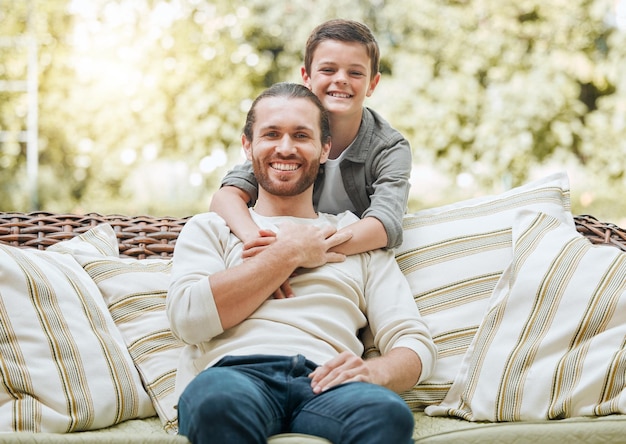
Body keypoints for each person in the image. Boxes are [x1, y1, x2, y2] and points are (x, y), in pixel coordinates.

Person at [167, 82, 436, 444]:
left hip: (328, 381)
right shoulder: (214, 228)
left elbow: (414, 343)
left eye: (301, 136)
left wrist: (376, 373)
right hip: (234, 377)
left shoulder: (355, 238)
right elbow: (187, 319)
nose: (286, 148)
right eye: (271, 134)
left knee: (387, 415)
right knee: (216, 403)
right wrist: (288, 253)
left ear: (324, 148)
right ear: (247, 146)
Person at [209, 19, 412, 264]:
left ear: (372, 84)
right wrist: (261, 243)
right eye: (328, 70)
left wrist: (303, 252)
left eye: (355, 73)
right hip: (283, 247)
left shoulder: (389, 147)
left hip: (350, 259)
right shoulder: (289, 134)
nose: (341, 79)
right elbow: (227, 196)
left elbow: (384, 225)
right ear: (306, 76)